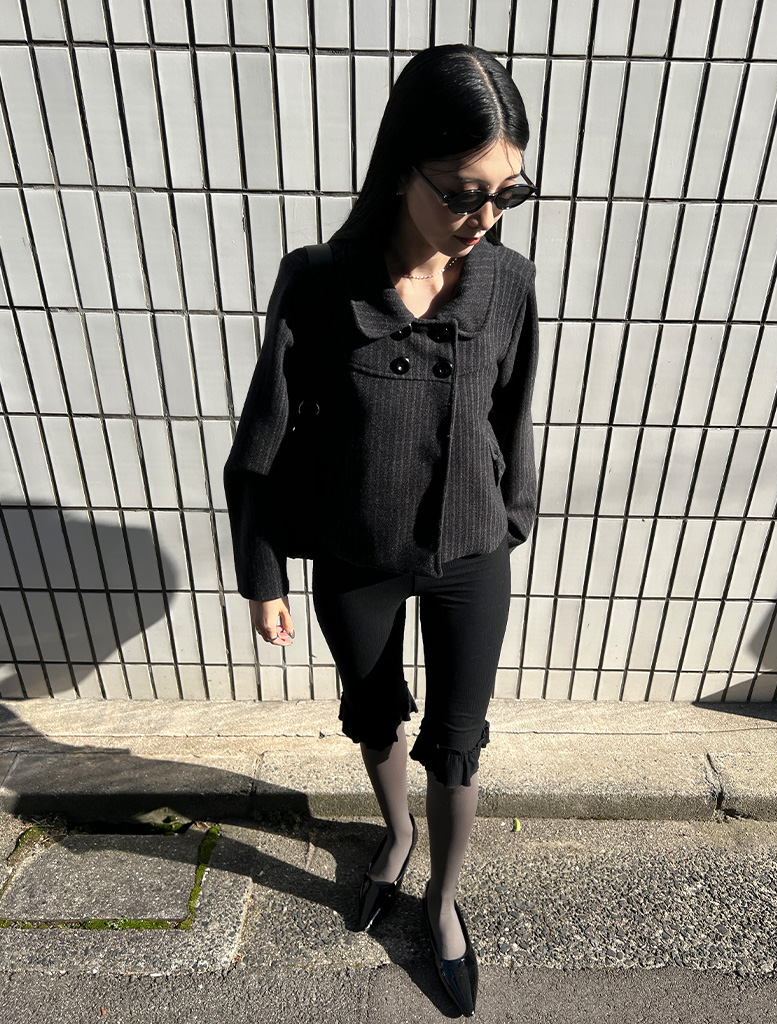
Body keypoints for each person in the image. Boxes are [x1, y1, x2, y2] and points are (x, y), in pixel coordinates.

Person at [224, 43, 539, 1018]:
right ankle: (394, 836)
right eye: (463, 193)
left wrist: (509, 521)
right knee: (373, 711)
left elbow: (514, 415)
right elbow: (265, 435)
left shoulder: (507, 281)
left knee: (459, 741)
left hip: (470, 553)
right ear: (403, 169)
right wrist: (264, 571)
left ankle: (442, 901)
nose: (485, 217)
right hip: (356, 554)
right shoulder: (321, 281)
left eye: (508, 193)